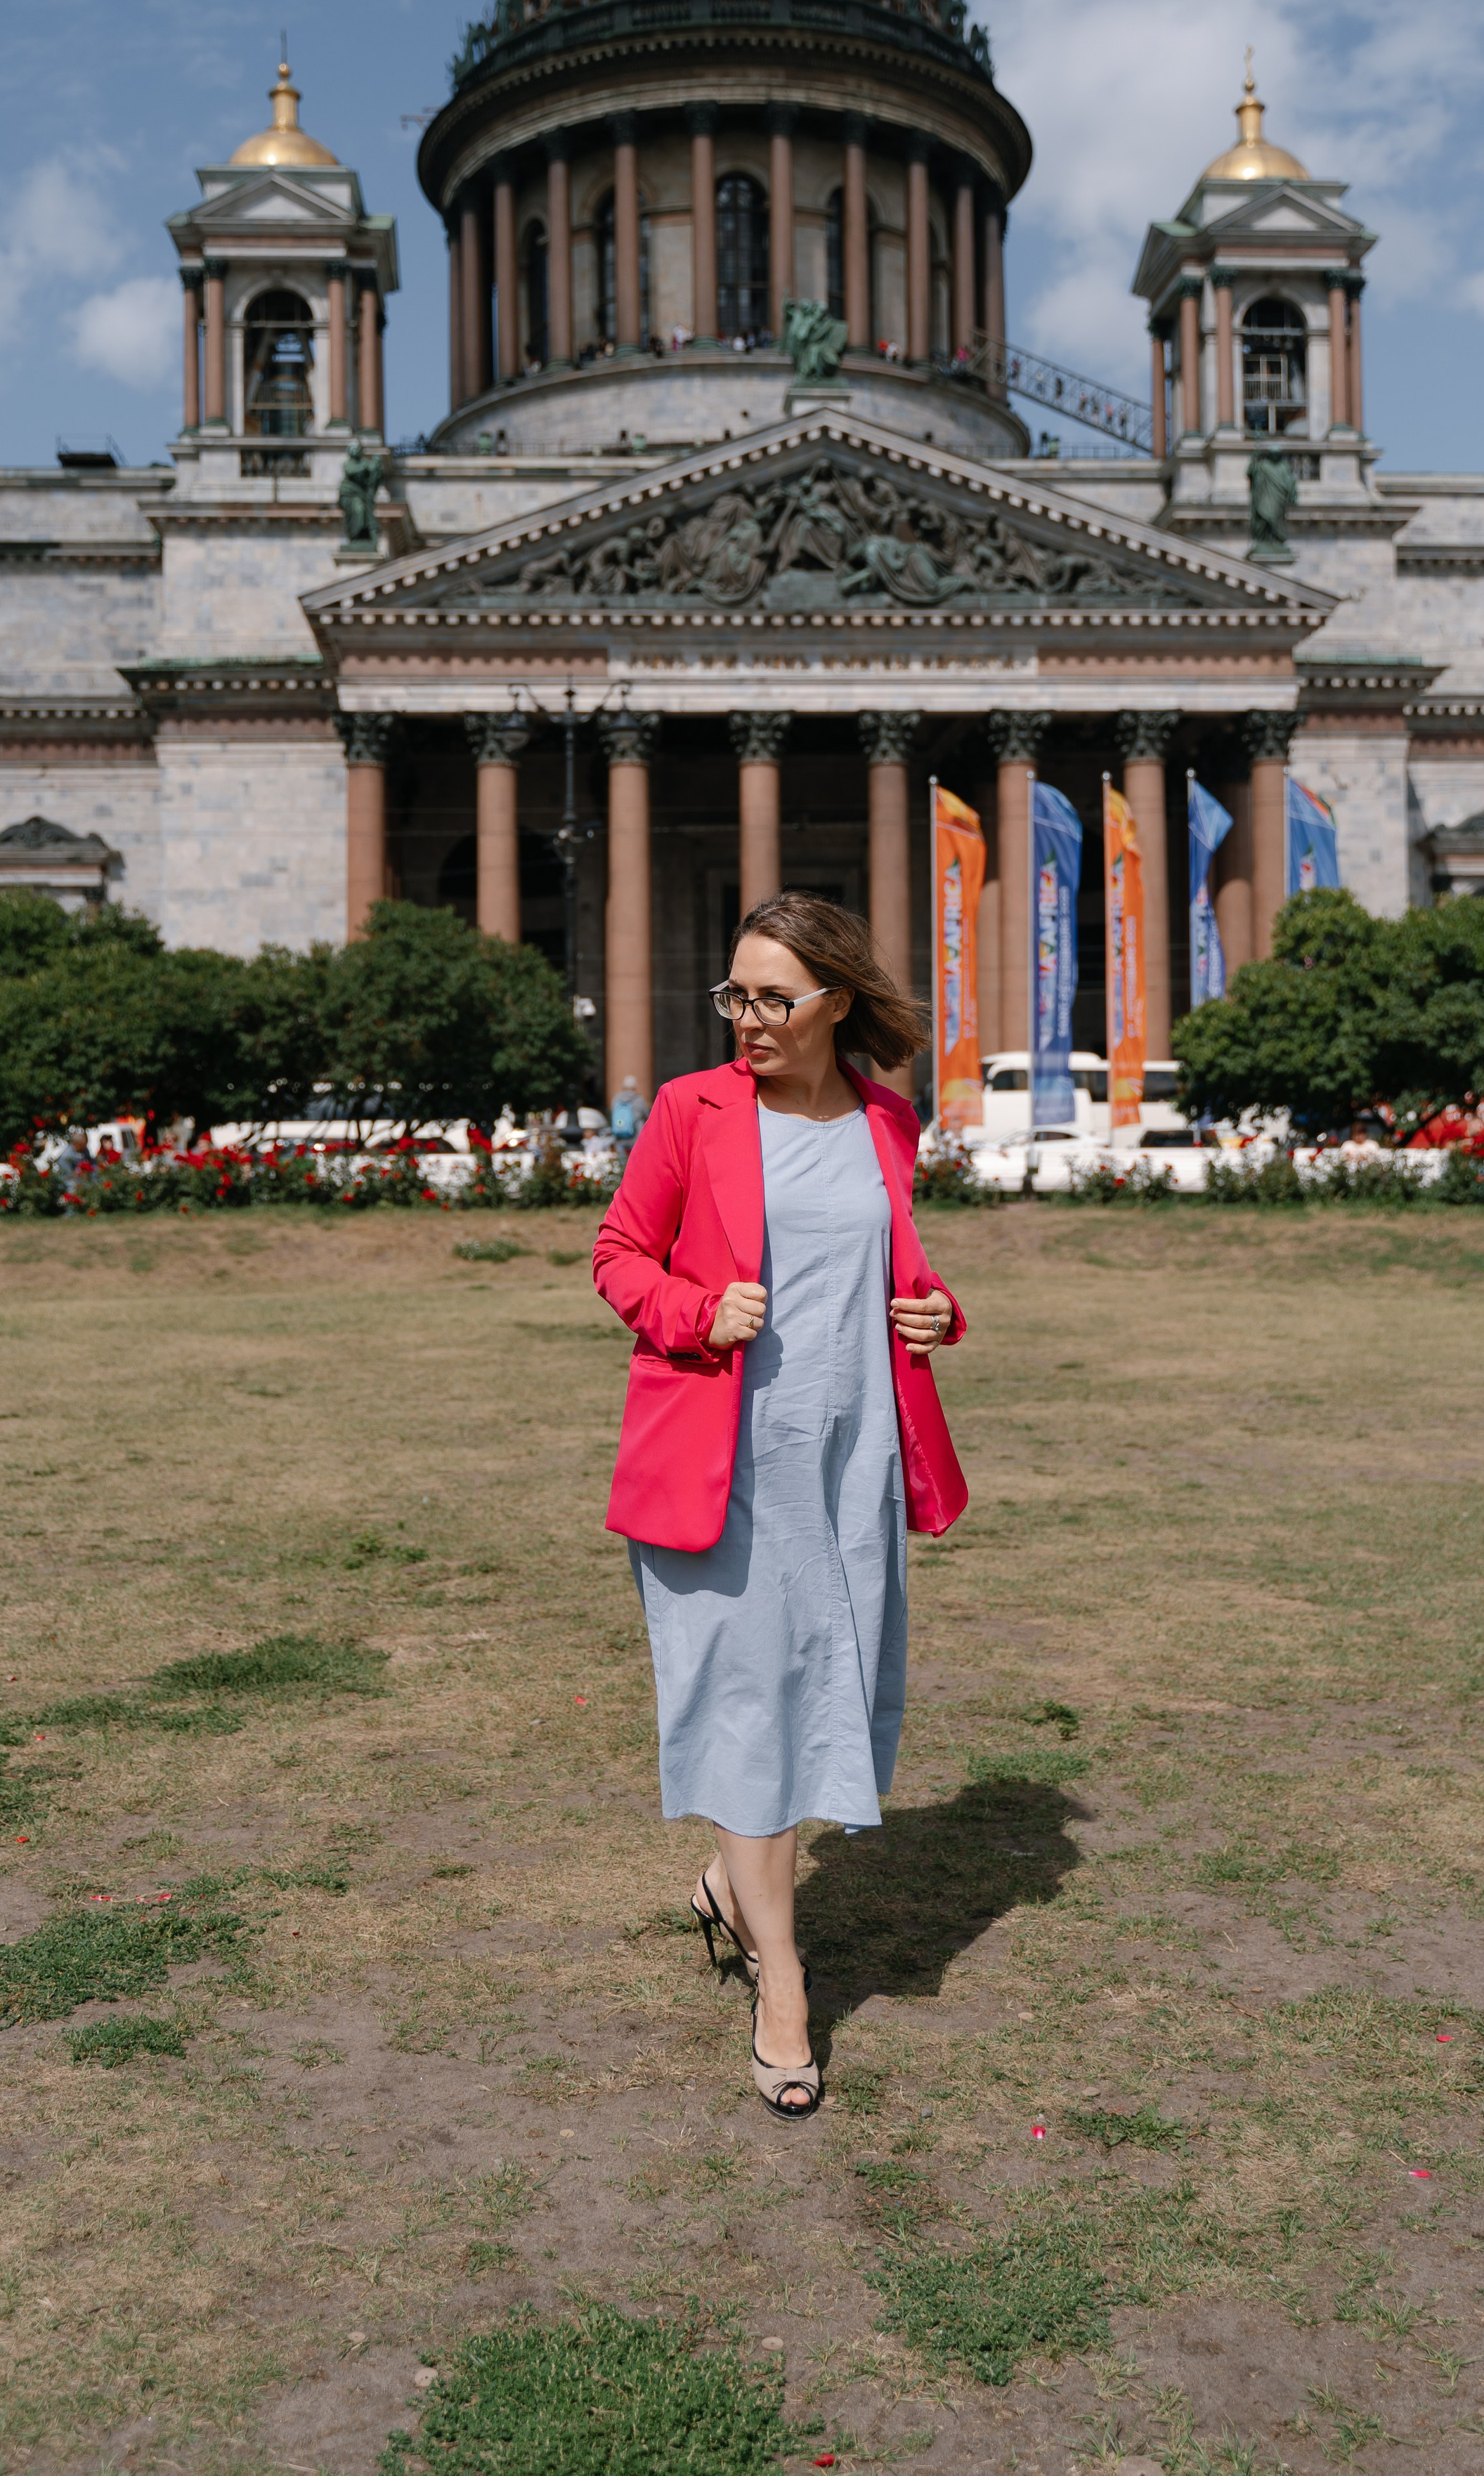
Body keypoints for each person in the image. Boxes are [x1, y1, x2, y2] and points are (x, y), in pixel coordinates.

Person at [593, 892, 967, 2122]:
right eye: (735, 996)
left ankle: (727, 1883)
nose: (749, 1019)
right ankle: (785, 1985)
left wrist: (935, 1314)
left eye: (773, 998)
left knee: (824, 1695)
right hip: (727, 1459)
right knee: (755, 1709)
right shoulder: (691, 1113)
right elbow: (619, 1256)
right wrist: (699, 1314)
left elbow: (891, 1270)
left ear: (838, 1002)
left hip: (848, 1459)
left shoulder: (888, 1122)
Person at [608, 1075, 649, 1155]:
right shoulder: (639, 1100)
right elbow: (647, 1115)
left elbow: (613, 1115)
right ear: (635, 1087)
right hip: (636, 1135)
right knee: (635, 1160)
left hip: (619, 1134)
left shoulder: (616, 1099)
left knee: (621, 1160)